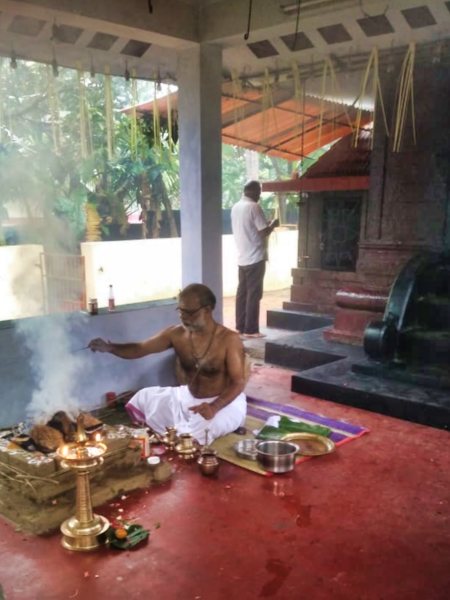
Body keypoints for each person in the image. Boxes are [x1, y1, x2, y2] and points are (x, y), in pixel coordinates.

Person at [88, 284, 247, 444]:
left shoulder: (229, 340)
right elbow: (140, 348)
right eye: (180, 311)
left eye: (189, 312)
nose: (183, 317)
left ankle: (199, 428)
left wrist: (214, 407)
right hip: (187, 398)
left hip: (223, 404)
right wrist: (110, 347)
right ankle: (178, 429)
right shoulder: (176, 334)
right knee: (143, 397)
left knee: (195, 433)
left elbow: (238, 382)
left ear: (207, 310)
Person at [231, 180, 279, 338]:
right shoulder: (253, 207)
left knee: (242, 294)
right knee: (254, 294)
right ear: (252, 191)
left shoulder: (236, 207)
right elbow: (263, 231)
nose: (259, 195)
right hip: (255, 257)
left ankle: (240, 327)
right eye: (258, 192)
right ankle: (251, 330)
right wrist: (273, 224)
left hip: (242, 257)